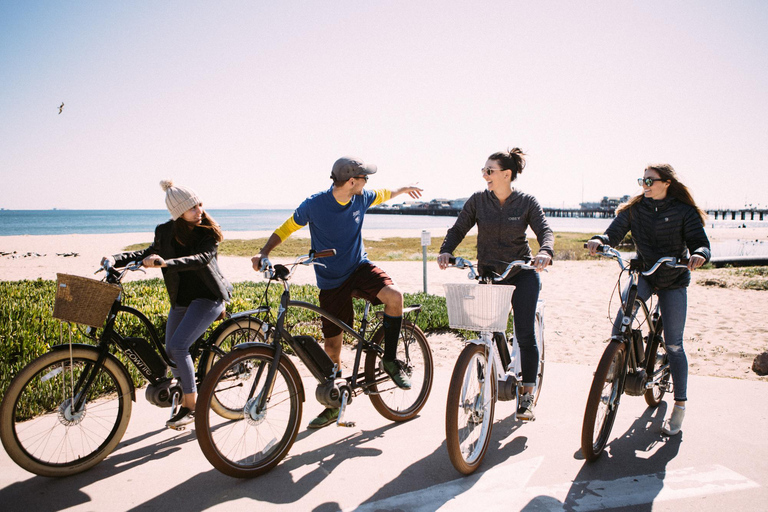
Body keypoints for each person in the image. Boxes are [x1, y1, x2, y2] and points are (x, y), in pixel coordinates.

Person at [252, 156, 423, 429]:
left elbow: (384, 194)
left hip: (359, 267)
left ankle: (390, 360)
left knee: (395, 297)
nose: (368, 182)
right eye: (364, 177)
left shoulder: (362, 197)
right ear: (352, 181)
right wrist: (264, 252)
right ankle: (335, 403)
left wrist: (403, 190)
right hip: (331, 280)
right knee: (332, 347)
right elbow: (287, 227)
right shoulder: (315, 205)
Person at [587, 164, 710, 436]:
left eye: (650, 180)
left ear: (666, 183)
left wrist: (699, 253)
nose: (644, 184)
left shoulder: (683, 211)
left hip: (673, 278)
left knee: (675, 345)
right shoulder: (635, 208)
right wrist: (601, 240)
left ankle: (679, 405)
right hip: (644, 272)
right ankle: (614, 365)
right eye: (642, 179)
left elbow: (699, 241)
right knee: (623, 317)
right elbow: (614, 232)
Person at [103, 180, 233, 428]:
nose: (199, 210)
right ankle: (185, 388)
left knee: (179, 347)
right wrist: (115, 258)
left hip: (209, 297)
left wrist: (165, 263)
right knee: (170, 350)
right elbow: (144, 252)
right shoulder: (165, 232)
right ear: (178, 213)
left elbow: (201, 259)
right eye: (192, 207)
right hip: (182, 300)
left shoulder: (207, 233)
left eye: (199, 204)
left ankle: (192, 406)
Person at [437, 148, 553, 421]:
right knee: (485, 332)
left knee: (524, 333)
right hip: (489, 272)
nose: (485, 175)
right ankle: (483, 392)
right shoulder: (478, 201)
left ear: (506, 174)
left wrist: (545, 252)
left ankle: (526, 395)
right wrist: (446, 250)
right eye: (484, 171)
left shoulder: (526, 202)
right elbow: (458, 228)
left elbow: (544, 230)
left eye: (489, 171)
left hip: (521, 272)